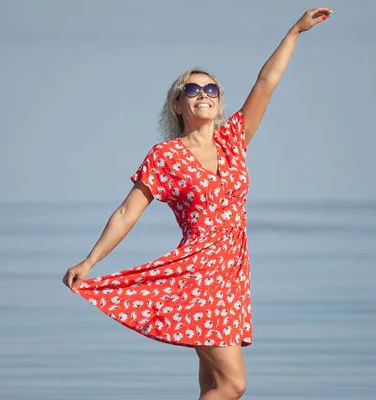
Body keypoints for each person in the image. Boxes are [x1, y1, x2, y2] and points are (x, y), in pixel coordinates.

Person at [62, 7, 332, 399]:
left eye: (210, 89)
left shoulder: (234, 141)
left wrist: (295, 31)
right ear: (177, 105)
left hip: (233, 279)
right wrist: (89, 261)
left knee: (213, 384)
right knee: (234, 385)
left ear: (220, 103)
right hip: (197, 278)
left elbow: (267, 81)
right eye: (191, 90)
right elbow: (126, 213)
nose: (202, 95)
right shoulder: (165, 157)